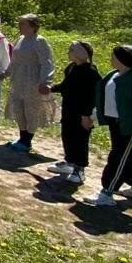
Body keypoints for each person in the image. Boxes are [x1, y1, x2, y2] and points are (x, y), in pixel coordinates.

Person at [84, 44, 132, 207]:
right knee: (128, 156)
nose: (111, 59)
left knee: (118, 158)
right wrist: (93, 116)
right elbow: (104, 102)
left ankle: (107, 192)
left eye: (114, 56)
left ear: (122, 60)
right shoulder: (112, 76)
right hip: (115, 124)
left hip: (130, 127)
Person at [48, 40, 102, 186]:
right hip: (68, 109)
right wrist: (51, 88)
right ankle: (69, 162)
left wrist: (87, 116)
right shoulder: (71, 68)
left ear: (80, 53)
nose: (69, 52)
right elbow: (66, 85)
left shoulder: (91, 72)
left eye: (71, 50)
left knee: (80, 140)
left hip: (82, 113)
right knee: (67, 135)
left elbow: (92, 96)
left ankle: (80, 170)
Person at [1, 14, 56, 153]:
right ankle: (21, 138)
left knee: (31, 110)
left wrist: (45, 81)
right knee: (19, 108)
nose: (20, 26)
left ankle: (27, 141)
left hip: (32, 81)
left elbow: (46, 63)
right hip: (18, 79)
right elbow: (14, 60)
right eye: (20, 24)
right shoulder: (21, 39)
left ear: (32, 26)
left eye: (23, 24)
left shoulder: (39, 41)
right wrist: (6, 73)